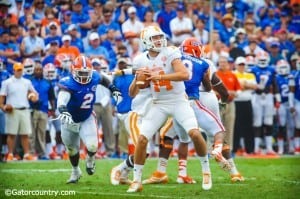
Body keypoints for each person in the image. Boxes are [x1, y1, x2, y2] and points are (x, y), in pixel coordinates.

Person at [126, 26, 208, 193]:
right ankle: (136, 180)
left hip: (178, 100)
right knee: (142, 139)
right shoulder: (140, 60)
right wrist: (138, 80)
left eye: (159, 37)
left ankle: (206, 170)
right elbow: (132, 93)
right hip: (159, 103)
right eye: (154, 38)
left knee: (194, 133)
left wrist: (159, 76)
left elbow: (185, 75)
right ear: (145, 42)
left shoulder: (170, 52)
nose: (159, 40)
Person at [55, 55, 122, 183]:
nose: (85, 76)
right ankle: (75, 171)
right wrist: (62, 109)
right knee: (72, 149)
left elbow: (103, 79)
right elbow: (62, 99)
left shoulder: (94, 76)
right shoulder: (68, 83)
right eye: (81, 73)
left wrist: (112, 88)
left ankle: (90, 159)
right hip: (69, 119)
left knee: (92, 146)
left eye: (87, 73)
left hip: (87, 117)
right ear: (73, 71)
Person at [0, 62, 39, 161]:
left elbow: (34, 93)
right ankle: (10, 154)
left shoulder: (27, 82)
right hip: (12, 110)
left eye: (21, 70)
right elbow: (2, 97)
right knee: (11, 134)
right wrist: (3, 107)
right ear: (14, 71)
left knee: (25, 134)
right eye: (18, 70)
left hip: (24, 109)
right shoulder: (7, 82)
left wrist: (33, 97)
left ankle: (26, 154)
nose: (19, 72)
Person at [249, 51, 279, 155]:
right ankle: (257, 147)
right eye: (260, 60)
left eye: (264, 60)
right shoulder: (253, 69)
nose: (262, 62)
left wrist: (277, 99)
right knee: (257, 122)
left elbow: (275, 85)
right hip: (256, 96)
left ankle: (269, 148)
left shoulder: (271, 69)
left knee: (269, 122)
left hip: (268, 96)